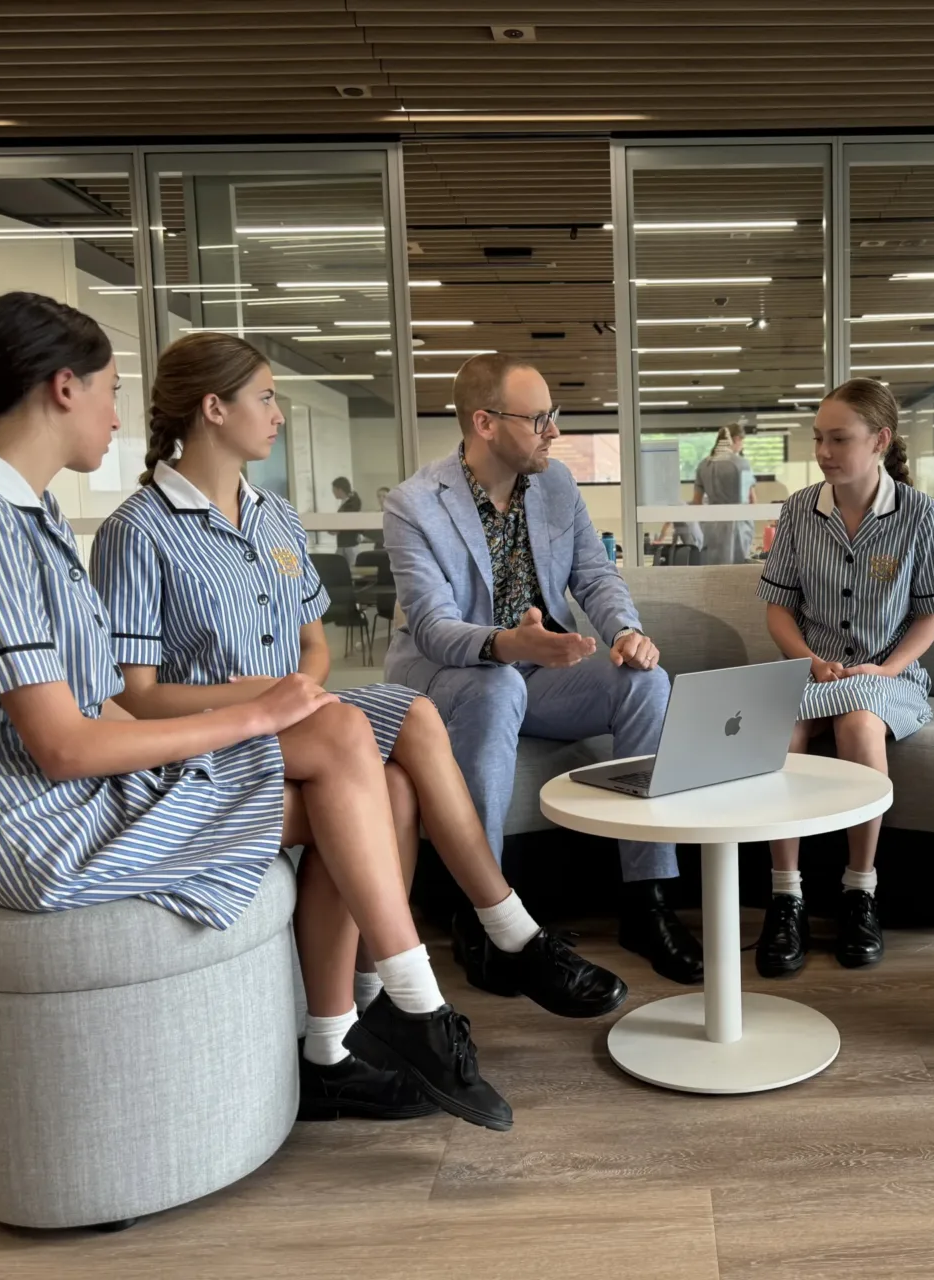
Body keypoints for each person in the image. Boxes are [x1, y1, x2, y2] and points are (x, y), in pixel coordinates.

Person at [0, 293, 511, 1133]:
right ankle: (400, 1012)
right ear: (63, 388)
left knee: (375, 780)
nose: (119, 414)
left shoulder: (27, 514)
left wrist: (260, 711)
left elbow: (79, 723)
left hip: (67, 801)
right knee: (354, 755)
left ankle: (347, 1038)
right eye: (111, 389)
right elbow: (61, 745)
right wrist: (251, 716)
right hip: (31, 832)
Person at [89, 332, 627, 1048]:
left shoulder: (274, 516)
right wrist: (260, 706)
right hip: (211, 734)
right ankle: (494, 946)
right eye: (267, 398)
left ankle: (409, 982)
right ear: (213, 409)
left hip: (292, 718)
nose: (279, 415)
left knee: (415, 724)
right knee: (391, 746)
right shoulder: (137, 530)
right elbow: (136, 698)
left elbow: (313, 648)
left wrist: (294, 697)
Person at [384, 354, 703, 985]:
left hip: (541, 667)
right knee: (497, 682)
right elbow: (433, 627)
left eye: (552, 416)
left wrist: (627, 632)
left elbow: (594, 575)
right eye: (540, 418)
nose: (554, 431)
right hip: (448, 675)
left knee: (647, 683)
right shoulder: (415, 504)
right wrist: (511, 644)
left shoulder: (556, 485)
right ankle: (483, 917)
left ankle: (647, 900)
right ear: (485, 422)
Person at [753, 378, 934, 975]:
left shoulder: (918, 514)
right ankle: (786, 896)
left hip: (886, 672)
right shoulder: (798, 510)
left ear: (880, 441)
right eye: (819, 438)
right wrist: (810, 659)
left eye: (838, 438)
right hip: (814, 668)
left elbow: (930, 614)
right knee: (780, 731)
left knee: (859, 725)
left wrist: (887, 667)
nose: (823, 451)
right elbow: (778, 607)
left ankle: (859, 891)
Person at [692, 422, 757, 564]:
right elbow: (752, 499)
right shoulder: (741, 464)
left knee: (712, 571)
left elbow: (696, 502)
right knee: (736, 572)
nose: (742, 446)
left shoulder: (703, 465)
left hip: (710, 527)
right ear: (736, 439)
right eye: (742, 441)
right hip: (737, 526)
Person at [332, 476, 362, 565]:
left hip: (350, 543)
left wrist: (337, 529)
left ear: (339, 490)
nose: (333, 493)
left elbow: (347, 520)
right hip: (343, 543)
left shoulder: (353, 502)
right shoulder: (345, 502)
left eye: (334, 490)